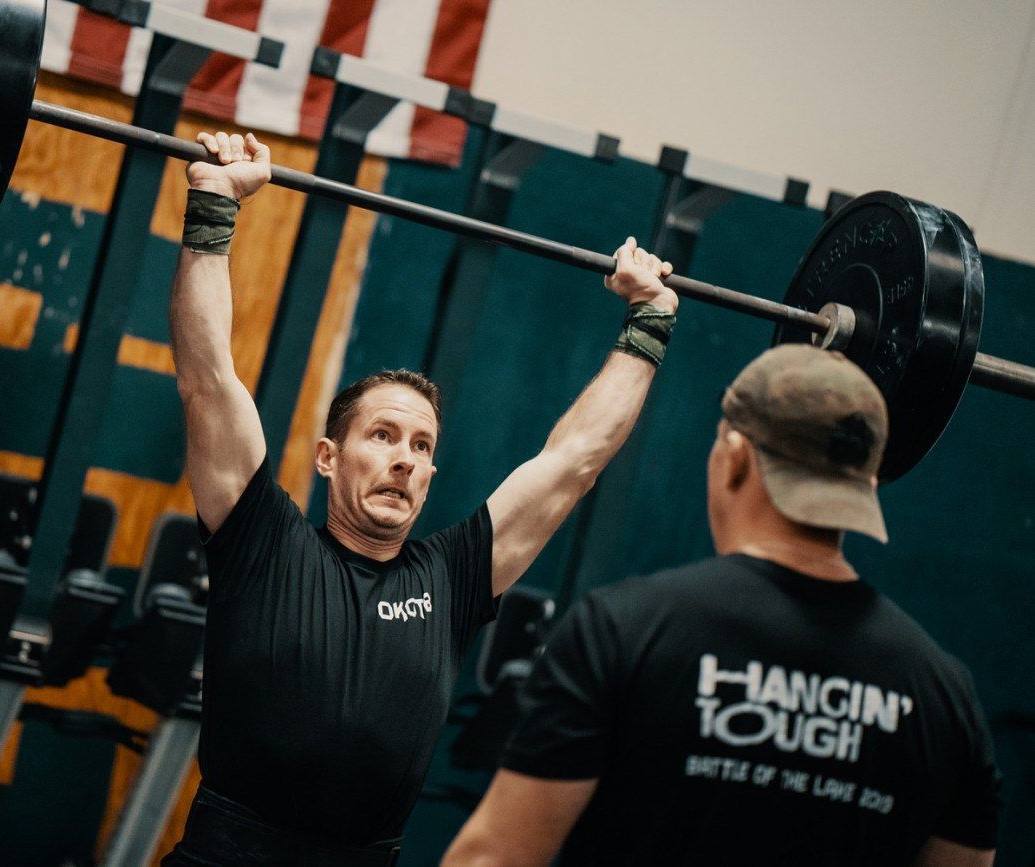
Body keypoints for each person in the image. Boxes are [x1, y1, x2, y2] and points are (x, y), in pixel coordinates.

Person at [163, 129, 680, 864]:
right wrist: (214, 207)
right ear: (327, 456)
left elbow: (574, 461)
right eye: (383, 435)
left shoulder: (454, 577)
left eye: (422, 447)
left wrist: (650, 319)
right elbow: (206, 376)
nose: (405, 459)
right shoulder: (262, 539)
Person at [442, 344, 1002, 866]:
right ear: (865, 485)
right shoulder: (945, 696)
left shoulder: (624, 629)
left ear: (733, 457)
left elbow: (493, 858)